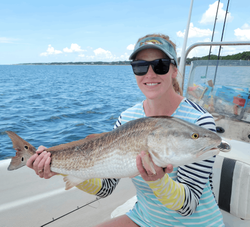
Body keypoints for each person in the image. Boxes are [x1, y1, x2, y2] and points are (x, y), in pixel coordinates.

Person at [27, 34, 224, 226]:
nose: (150, 73)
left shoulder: (199, 122)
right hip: (145, 219)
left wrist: (158, 181)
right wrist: (59, 168)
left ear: (174, 70)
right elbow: (106, 188)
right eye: (140, 67)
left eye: (160, 65)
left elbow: (188, 206)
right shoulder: (127, 119)